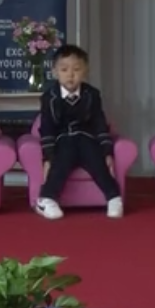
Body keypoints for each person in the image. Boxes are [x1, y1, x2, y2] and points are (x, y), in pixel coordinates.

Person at [35, 44, 124, 220]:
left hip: (86, 139)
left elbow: (99, 122)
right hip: (62, 141)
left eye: (76, 69)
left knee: (96, 160)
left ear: (85, 71)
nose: (70, 75)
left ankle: (113, 196)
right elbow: (47, 127)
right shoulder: (49, 97)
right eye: (64, 69)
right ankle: (46, 198)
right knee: (62, 158)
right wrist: (47, 157)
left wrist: (107, 151)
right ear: (55, 72)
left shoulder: (92, 94)